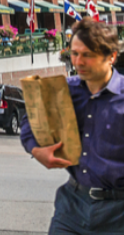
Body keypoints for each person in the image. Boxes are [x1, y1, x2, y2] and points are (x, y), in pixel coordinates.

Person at [21, 20, 124, 232]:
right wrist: (36, 150)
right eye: (74, 54)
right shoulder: (63, 90)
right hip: (72, 206)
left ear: (111, 56)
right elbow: (29, 121)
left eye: (88, 55)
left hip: (118, 213)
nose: (79, 62)